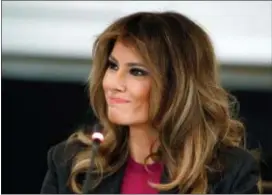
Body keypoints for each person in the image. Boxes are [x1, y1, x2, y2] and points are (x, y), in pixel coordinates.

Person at [40, 11, 260, 194]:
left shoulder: (231, 173)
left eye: (136, 72)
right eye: (113, 66)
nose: (113, 83)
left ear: (178, 86)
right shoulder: (68, 163)